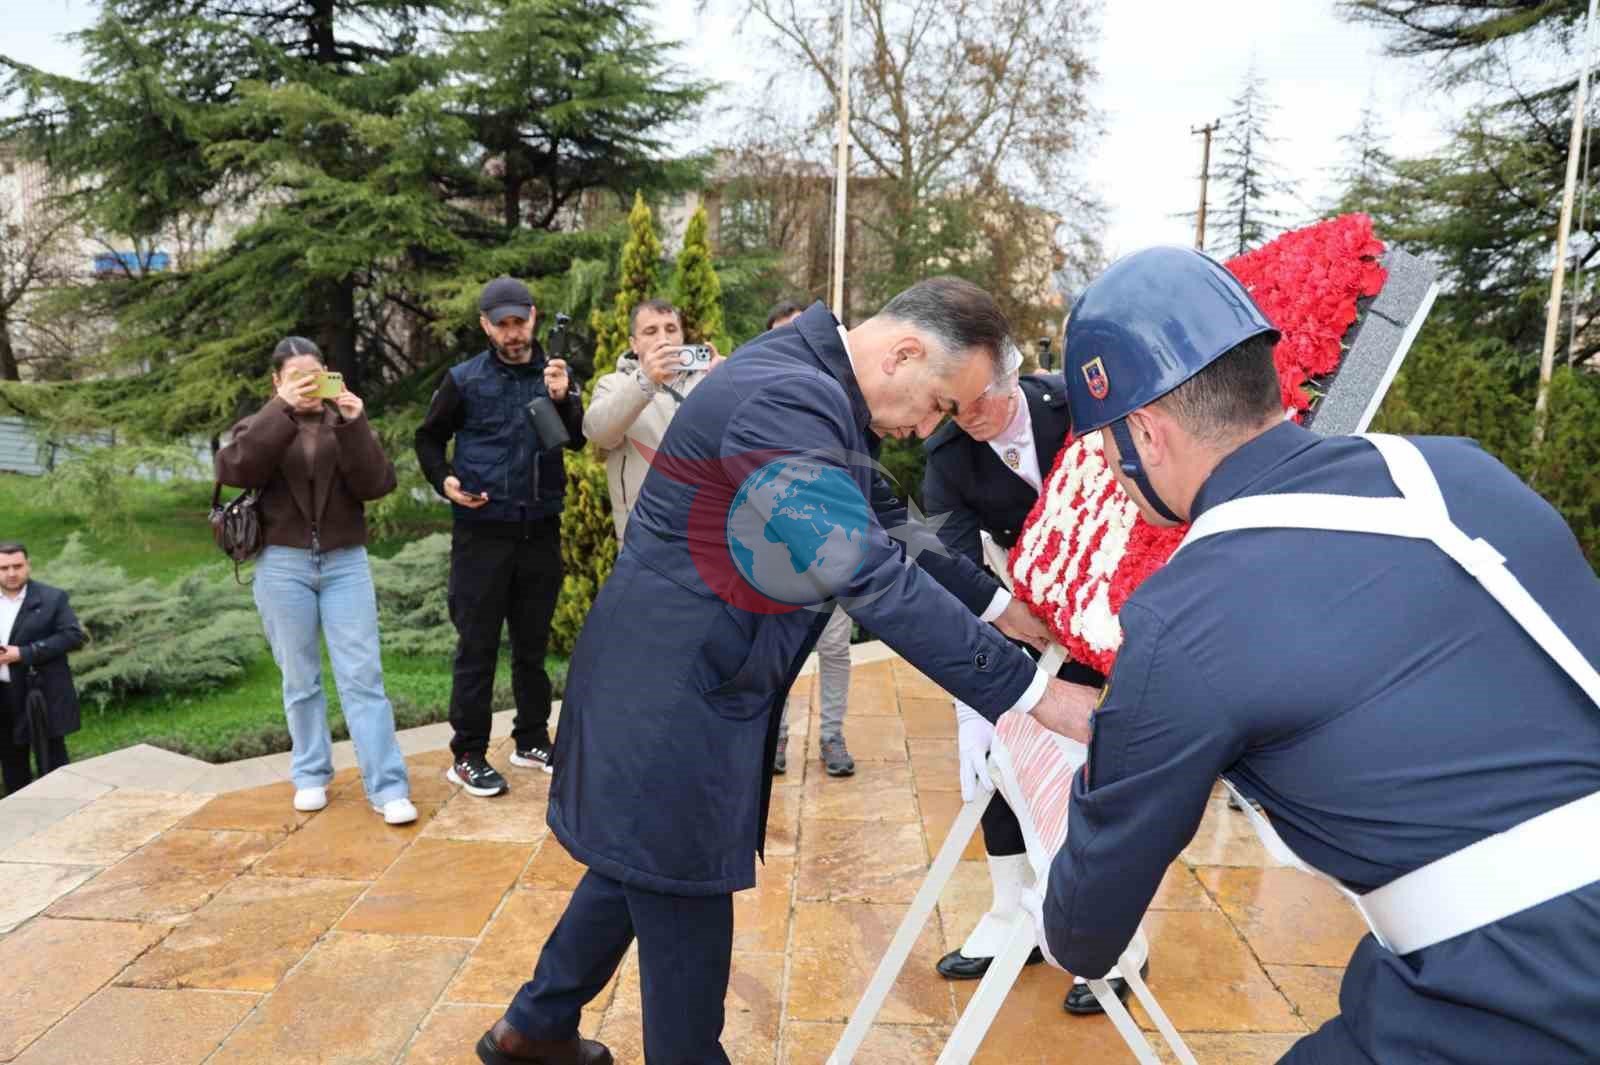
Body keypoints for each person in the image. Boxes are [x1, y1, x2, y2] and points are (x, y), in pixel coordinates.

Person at [473, 279, 1097, 1065]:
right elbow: (862, 565)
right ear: (903, 354)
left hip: (687, 685)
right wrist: (1033, 693)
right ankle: (556, 1032)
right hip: (672, 703)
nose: (927, 428)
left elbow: (890, 515)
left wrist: (1000, 605)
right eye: (939, 403)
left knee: (642, 863)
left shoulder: (813, 382)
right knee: (685, 913)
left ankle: (533, 1029)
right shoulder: (783, 395)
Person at [1022, 245, 1600, 1064]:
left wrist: (1118, 746)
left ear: (1144, 434)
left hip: (1517, 994)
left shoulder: (1185, 614)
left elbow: (1083, 931)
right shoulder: (1462, 473)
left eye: (1106, 448)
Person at [921, 352, 1149, 1013]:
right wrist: (975, 703)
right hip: (1019, 605)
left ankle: (1118, 931)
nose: (969, 420)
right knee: (998, 741)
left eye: (979, 403)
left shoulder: (1073, 405)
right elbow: (954, 575)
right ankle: (1007, 909)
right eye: (954, 409)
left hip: (1116, 597)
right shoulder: (948, 458)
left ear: (1008, 371)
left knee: (1094, 765)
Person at [215, 337, 416, 823]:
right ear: (277, 382)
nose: (307, 386)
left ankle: (387, 787)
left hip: (346, 562)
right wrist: (279, 410)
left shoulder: (342, 422)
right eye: (295, 379)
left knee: (362, 677)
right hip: (282, 563)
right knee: (300, 677)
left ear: (330, 374)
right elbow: (235, 467)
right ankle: (309, 773)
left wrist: (355, 423)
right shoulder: (261, 424)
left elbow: (376, 484)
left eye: (315, 375)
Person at [415, 277, 585, 798]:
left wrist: (564, 397)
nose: (514, 333)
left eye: (520, 321)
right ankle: (467, 754)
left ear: (534, 316)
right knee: (478, 647)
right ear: (486, 326)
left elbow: (576, 439)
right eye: (502, 324)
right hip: (481, 535)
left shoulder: (556, 375)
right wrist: (444, 481)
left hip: (539, 529)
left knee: (532, 646)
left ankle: (531, 738)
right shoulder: (464, 380)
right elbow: (428, 439)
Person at [766, 298, 856, 777]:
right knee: (777, 650)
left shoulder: (841, 399)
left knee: (835, 645)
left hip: (831, 545)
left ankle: (832, 735)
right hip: (775, 552)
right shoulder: (757, 400)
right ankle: (774, 735)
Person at [582, 298, 721, 541]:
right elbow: (598, 433)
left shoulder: (711, 378)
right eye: (650, 331)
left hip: (708, 530)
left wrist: (731, 380)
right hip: (646, 535)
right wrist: (645, 380)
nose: (663, 339)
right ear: (634, 344)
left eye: (671, 329)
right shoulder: (613, 385)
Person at [0, 541, 83, 796]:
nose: (11, 573)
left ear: (28, 566)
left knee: (52, 759)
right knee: (11, 762)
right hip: (3, 697)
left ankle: (63, 811)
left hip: (40, 694)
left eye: (18, 566)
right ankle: (20, 817)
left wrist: (23, 653)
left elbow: (72, 636)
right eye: (4, 568)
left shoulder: (52, 598)